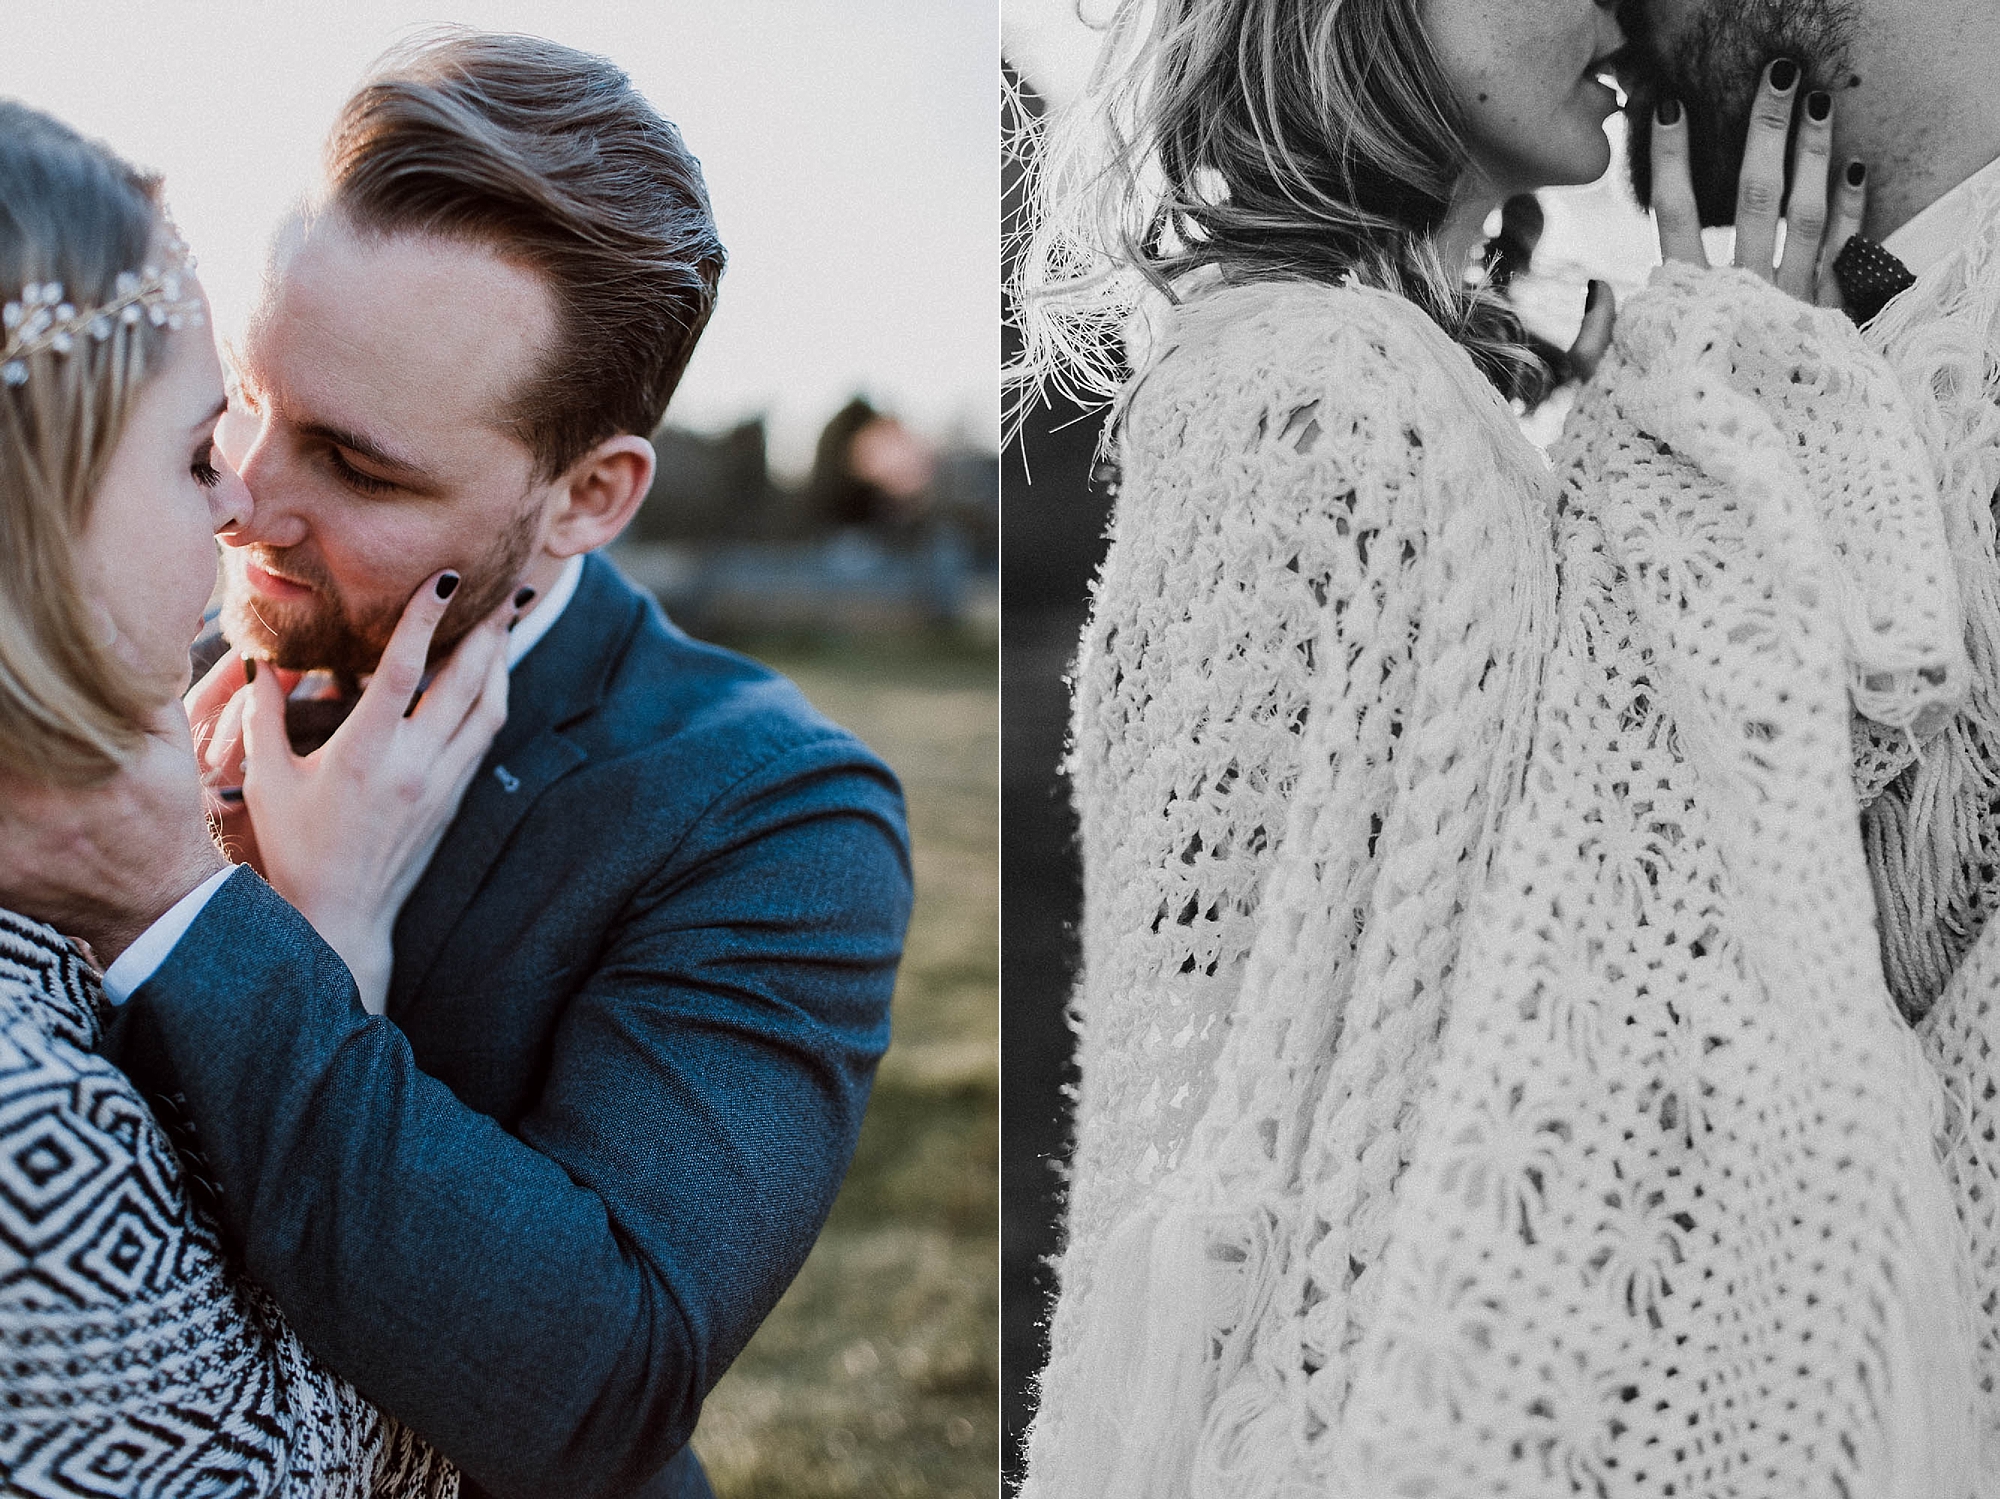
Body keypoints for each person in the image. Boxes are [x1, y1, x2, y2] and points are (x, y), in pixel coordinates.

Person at [1011, 0, 1987, 1493]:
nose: (1618, 3)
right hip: (1355, 1378)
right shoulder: (1308, 393)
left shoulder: (1415, 391)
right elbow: (1471, 958)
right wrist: (1716, 404)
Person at [0, 31, 913, 1499]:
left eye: (358, 469)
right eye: (241, 403)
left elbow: (602, 1387)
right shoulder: (104, 599)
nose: (244, 501)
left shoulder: (767, 811)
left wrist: (183, 908)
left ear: (587, 498)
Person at [0, 99, 511, 1499]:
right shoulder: (27, 1127)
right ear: (27, 509)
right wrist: (324, 944)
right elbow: (341, 1461)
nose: (241, 504)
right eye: (192, 450)